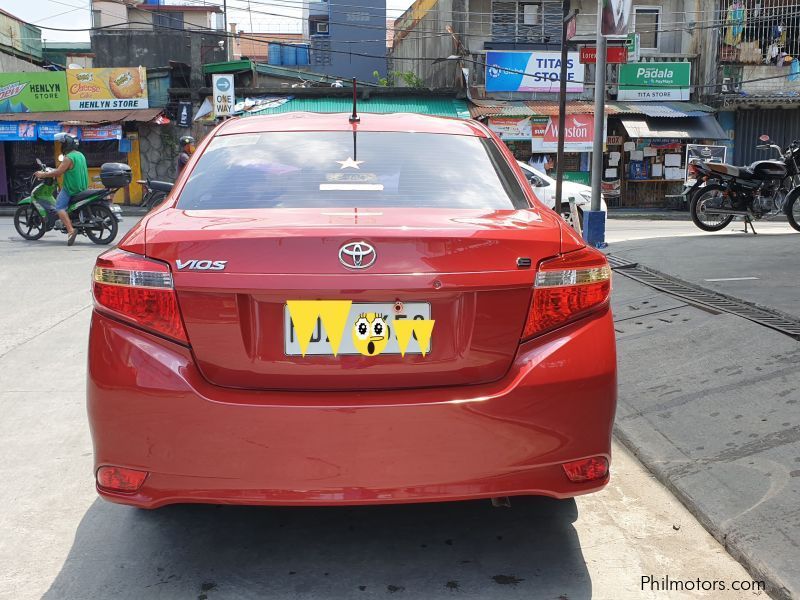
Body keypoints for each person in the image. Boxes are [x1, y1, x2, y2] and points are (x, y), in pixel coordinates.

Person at [34, 133, 87, 246]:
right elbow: (63, 169)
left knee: (59, 207)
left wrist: (42, 174)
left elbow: (58, 172)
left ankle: (71, 231)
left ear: (67, 145)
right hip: (82, 187)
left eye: (62, 144)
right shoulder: (80, 155)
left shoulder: (68, 158)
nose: (61, 146)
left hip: (71, 188)